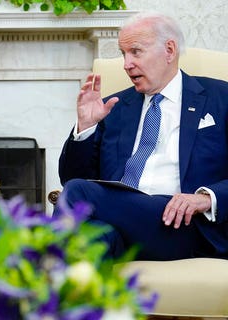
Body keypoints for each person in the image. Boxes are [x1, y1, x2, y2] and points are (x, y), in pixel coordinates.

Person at [58, 12, 228, 261]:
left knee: (78, 193)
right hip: (121, 224)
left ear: (169, 50)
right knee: (89, 240)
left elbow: (77, 191)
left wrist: (205, 198)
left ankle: (36, 290)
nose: (126, 64)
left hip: (185, 226)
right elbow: (72, 179)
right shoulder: (113, 107)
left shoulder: (221, 97)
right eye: (123, 53)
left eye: (136, 52)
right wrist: (85, 127)